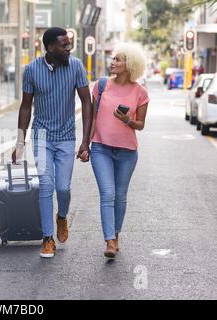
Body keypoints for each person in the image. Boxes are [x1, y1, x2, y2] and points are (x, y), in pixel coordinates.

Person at [12, 27, 93, 258]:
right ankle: (47, 238)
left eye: (69, 44)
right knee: (46, 185)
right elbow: (26, 106)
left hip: (67, 137)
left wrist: (85, 141)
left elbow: (87, 103)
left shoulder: (76, 66)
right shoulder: (32, 70)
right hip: (42, 136)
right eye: (64, 45)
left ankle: (62, 217)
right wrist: (20, 143)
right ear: (50, 48)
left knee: (63, 188)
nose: (68, 48)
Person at [82, 43, 150, 259]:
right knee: (108, 194)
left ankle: (116, 234)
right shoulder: (101, 86)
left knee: (120, 196)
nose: (112, 62)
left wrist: (127, 119)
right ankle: (109, 240)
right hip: (101, 148)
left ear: (129, 64)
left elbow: (140, 125)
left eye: (117, 59)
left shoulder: (141, 92)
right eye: (113, 59)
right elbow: (92, 117)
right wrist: (85, 144)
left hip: (128, 152)